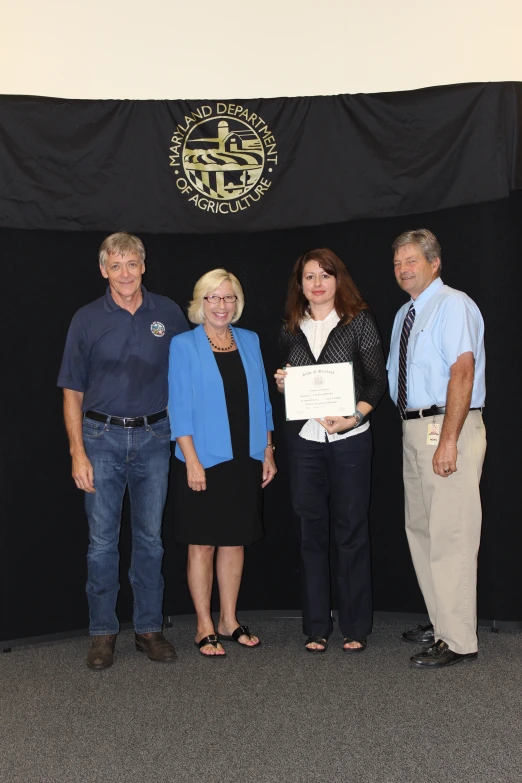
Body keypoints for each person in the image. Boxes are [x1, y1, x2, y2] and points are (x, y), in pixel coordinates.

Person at [58, 232, 189, 669]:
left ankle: (149, 629)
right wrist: (78, 452)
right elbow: (72, 391)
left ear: (143, 266)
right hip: (100, 440)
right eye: (116, 266)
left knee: (150, 541)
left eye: (132, 264)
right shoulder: (86, 318)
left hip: (154, 438)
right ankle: (102, 632)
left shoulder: (168, 313)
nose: (125, 274)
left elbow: (188, 376)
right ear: (103, 270)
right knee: (101, 544)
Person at [275, 249, 386, 653]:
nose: (317, 283)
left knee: (352, 531)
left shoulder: (359, 321)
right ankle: (316, 626)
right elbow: (287, 379)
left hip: (351, 439)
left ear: (339, 280)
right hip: (304, 441)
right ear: (299, 284)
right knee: (310, 534)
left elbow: (376, 382)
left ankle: (355, 627)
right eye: (308, 276)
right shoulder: (291, 325)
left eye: (325, 275)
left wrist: (352, 419)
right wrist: (283, 383)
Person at [387, 229, 486, 669]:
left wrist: (448, 440)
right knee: (423, 532)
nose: (404, 269)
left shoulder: (454, 306)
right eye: (398, 263)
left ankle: (459, 639)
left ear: (434, 263)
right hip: (413, 429)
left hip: (448, 427)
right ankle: (440, 621)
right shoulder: (404, 315)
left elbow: (461, 373)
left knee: (452, 534)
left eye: (412, 260)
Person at [168, 269, 276, 657]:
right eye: (213, 298)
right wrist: (191, 462)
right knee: (203, 544)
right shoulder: (183, 345)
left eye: (229, 298)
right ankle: (203, 625)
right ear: (200, 303)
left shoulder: (250, 340)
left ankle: (229, 620)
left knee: (235, 541)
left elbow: (263, 400)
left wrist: (267, 449)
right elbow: (178, 407)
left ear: (238, 303)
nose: (221, 305)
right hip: (204, 460)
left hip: (245, 456)